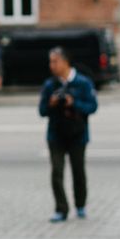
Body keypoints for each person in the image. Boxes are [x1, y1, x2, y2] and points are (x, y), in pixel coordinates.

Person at [38, 46, 98, 223]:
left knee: (78, 171)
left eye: (55, 61)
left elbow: (93, 107)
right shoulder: (50, 85)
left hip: (77, 134)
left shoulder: (82, 82)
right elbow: (42, 111)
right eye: (50, 61)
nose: (52, 65)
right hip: (56, 135)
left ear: (65, 62)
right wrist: (51, 104)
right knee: (56, 172)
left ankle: (80, 205)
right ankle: (61, 209)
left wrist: (74, 103)